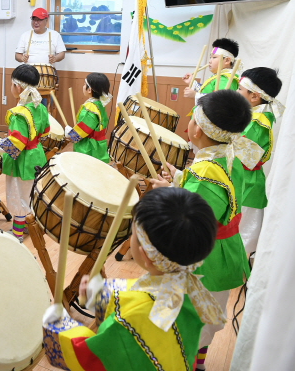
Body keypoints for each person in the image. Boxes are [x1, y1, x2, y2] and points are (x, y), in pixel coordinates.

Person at [43, 188, 226, 371]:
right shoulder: (192, 290)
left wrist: (61, 329)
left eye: (133, 234)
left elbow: (95, 360)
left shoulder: (131, 320)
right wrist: (101, 295)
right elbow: (145, 294)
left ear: (144, 254)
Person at [150, 90, 261, 370]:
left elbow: (193, 219)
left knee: (190, 317)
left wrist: (170, 195)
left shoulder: (206, 171)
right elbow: (219, 198)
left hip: (203, 260)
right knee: (206, 317)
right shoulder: (230, 155)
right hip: (223, 253)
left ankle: (184, 363)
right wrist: (178, 179)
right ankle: (197, 363)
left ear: (197, 128)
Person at [0, 64, 50, 242]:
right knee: (30, 193)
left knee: (17, 195)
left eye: (12, 84)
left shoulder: (18, 114)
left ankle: (17, 234)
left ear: (18, 87)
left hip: (22, 160)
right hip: (36, 155)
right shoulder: (40, 106)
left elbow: (16, 144)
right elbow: (45, 130)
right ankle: (30, 225)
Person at [233, 67, 284, 255]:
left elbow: (245, 156)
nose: (235, 92)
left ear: (254, 97)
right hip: (243, 181)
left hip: (246, 184)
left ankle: (235, 275)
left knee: (240, 236)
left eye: (239, 89)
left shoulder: (258, 121)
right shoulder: (255, 116)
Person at [64, 73, 112, 162]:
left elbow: (84, 129)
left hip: (89, 148)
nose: (83, 87)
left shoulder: (90, 108)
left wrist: (71, 134)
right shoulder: (100, 104)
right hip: (99, 146)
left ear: (89, 89)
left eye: (84, 84)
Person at [182, 38, 240, 110]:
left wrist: (195, 95)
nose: (209, 61)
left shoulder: (226, 79)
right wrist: (192, 82)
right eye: (210, 57)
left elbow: (220, 102)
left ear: (227, 60)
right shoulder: (218, 77)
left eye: (214, 57)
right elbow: (207, 92)